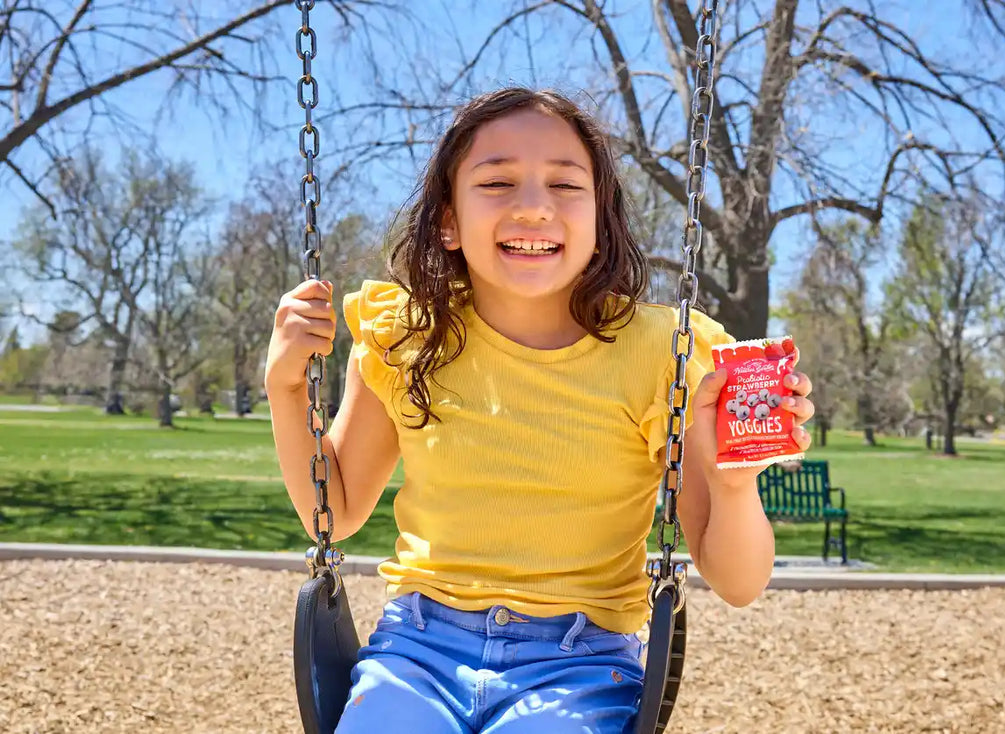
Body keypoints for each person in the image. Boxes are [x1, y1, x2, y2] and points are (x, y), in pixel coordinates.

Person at [265, 87, 815, 734]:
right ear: (448, 219)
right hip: (416, 649)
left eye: (564, 184)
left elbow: (738, 581)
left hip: (579, 666)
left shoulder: (659, 355)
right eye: (497, 182)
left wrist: (733, 484)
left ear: (600, 218)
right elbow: (336, 505)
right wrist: (287, 389)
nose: (533, 207)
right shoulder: (408, 335)